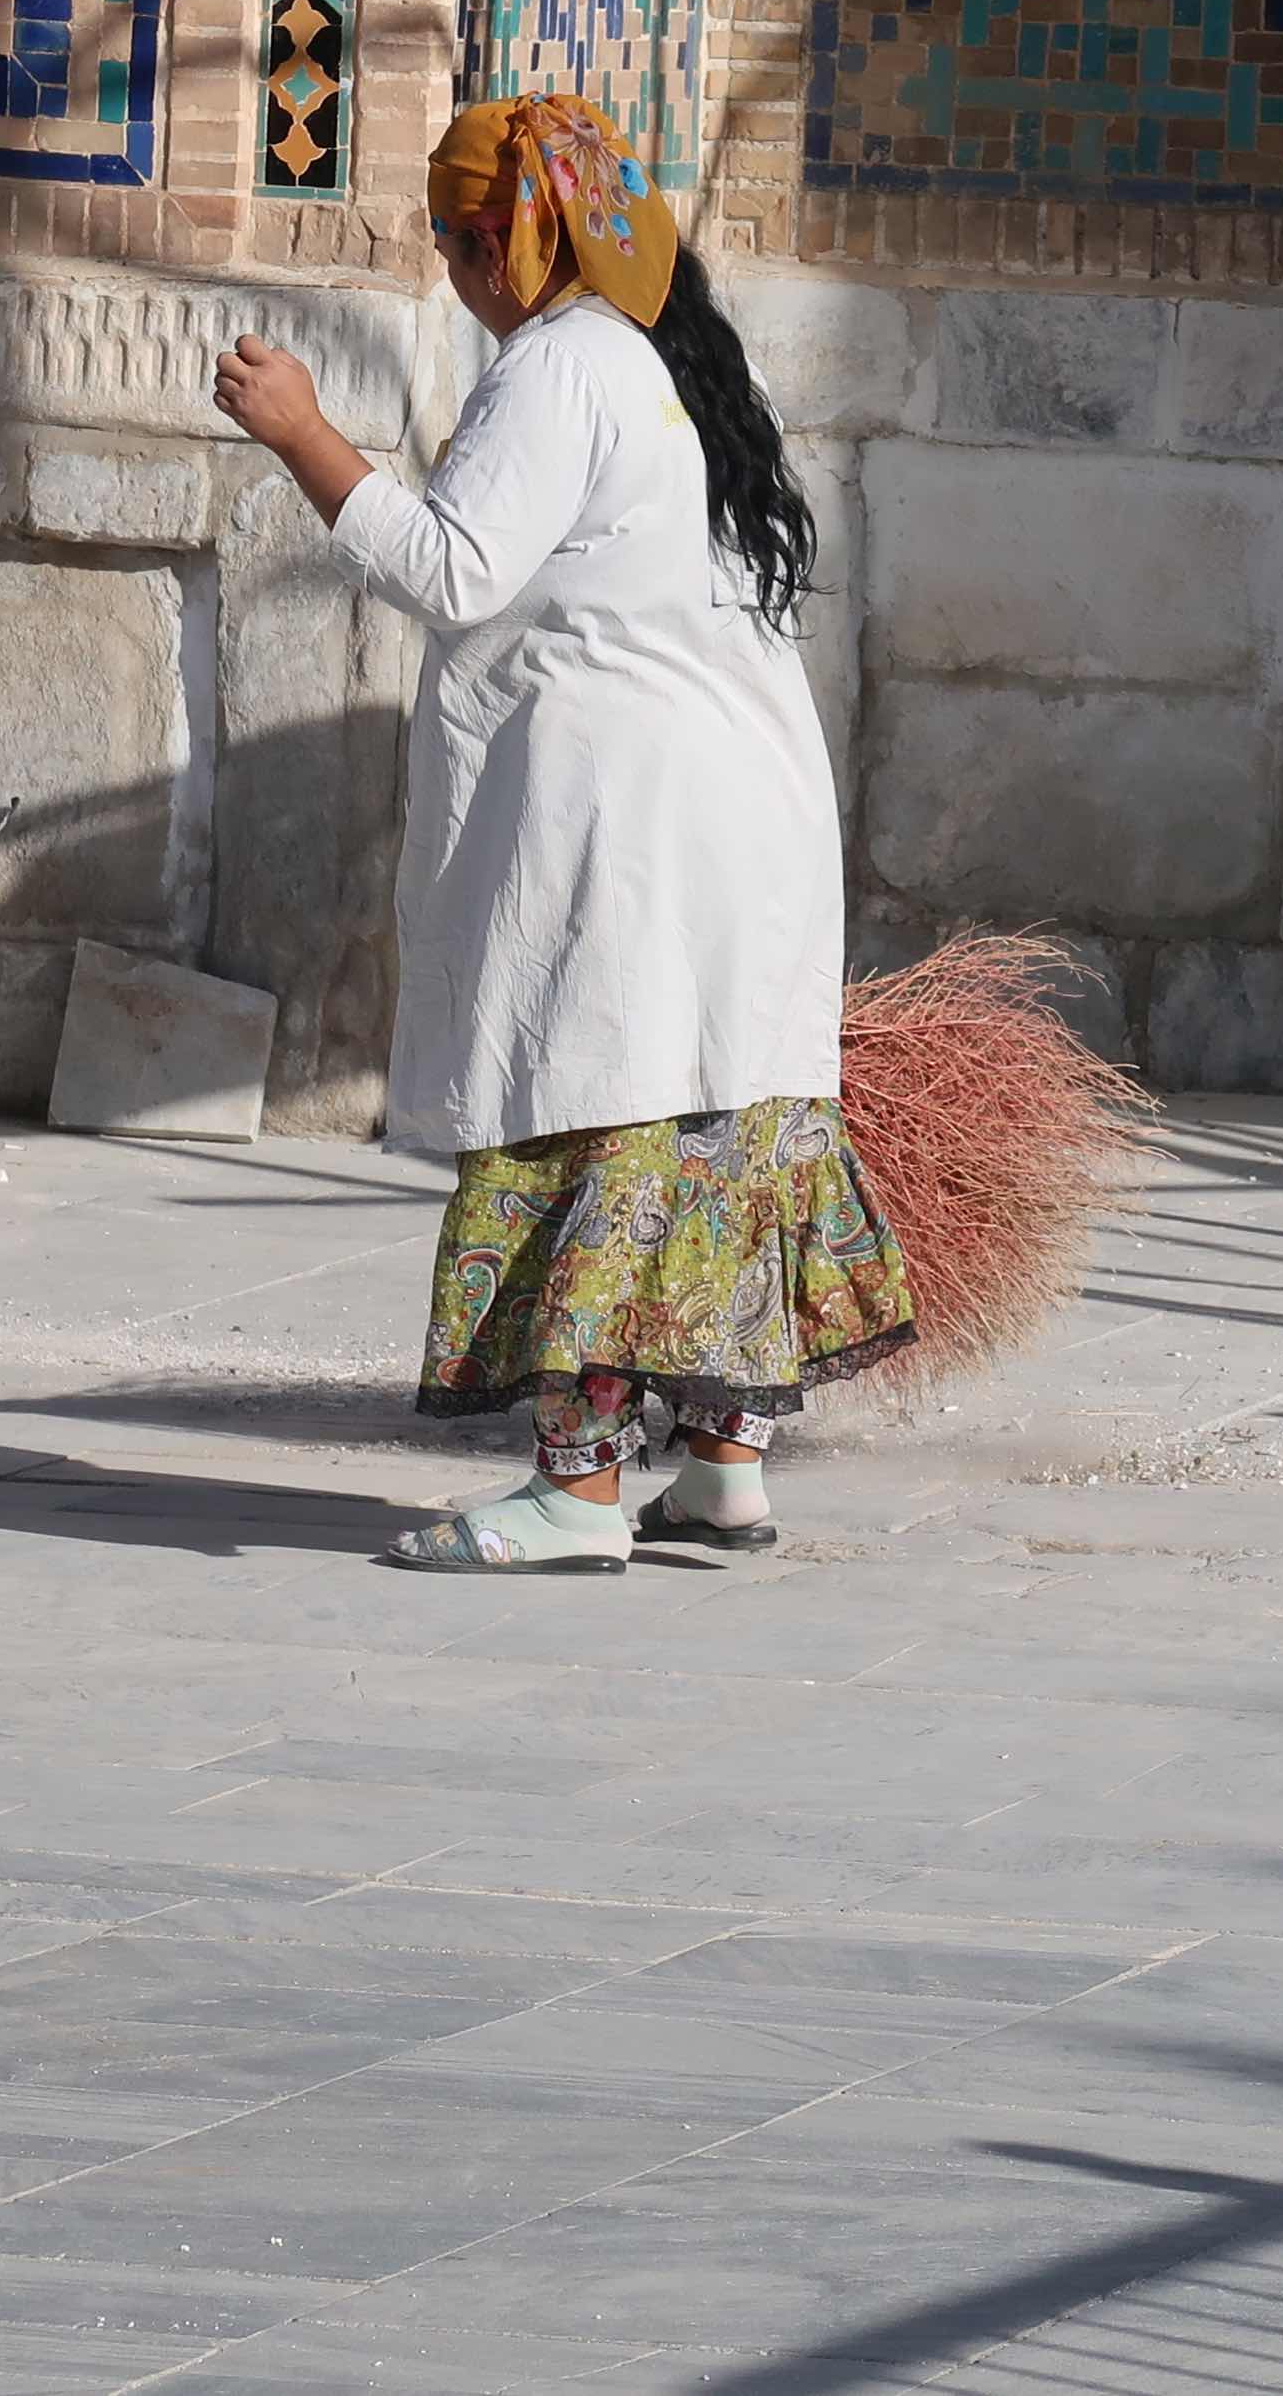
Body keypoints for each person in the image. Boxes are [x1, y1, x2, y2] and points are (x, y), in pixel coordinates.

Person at [212, 94, 912, 1571]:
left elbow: (454, 569)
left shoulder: (561, 366)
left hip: (629, 832)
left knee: (591, 1122)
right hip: (745, 820)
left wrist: (304, 437)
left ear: (511, 240)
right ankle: (722, 1474)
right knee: (715, 1127)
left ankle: (580, 1493)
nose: (451, 266)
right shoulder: (684, 363)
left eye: (455, 238)